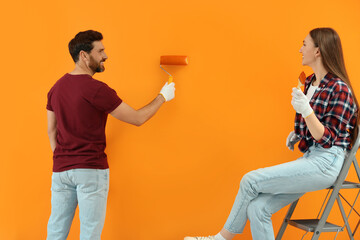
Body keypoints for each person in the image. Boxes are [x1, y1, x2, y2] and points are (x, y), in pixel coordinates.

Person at [185, 27, 358, 240]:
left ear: (318, 51)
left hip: (326, 162)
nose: (300, 49)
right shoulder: (309, 82)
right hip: (310, 158)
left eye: (304, 44)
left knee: (250, 181)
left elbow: (326, 137)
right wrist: (297, 133)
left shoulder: (339, 88)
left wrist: (306, 110)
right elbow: (312, 130)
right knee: (258, 208)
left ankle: (220, 239)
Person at [46, 30, 175, 240]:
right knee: (90, 233)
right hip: (90, 170)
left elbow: (51, 130)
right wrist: (163, 96)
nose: (105, 55)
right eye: (100, 51)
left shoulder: (56, 88)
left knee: (56, 231)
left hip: (61, 171)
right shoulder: (96, 89)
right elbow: (137, 118)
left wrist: (62, 159)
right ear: (84, 56)